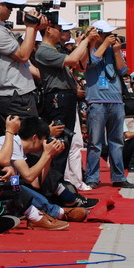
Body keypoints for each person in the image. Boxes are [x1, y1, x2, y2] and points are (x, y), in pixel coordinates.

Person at [34, 22, 97, 173]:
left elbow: (81, 65)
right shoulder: (43, 50)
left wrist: (89, 43)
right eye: (59, 29)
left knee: (66, 141)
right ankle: (54, 182)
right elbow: (73, 60)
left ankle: (59, 180)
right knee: (59, 142)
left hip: (66, 97)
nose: (62, 33)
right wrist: (86, 40)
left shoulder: (54, 49)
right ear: (48, 30)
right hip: (57, 98)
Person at [84, 20, 134, 189]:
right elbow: (90, 63)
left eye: (111, 34)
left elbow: (123, 71)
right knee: (95, 143)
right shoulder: (89, 48)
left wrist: (116, 51)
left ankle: (118, 177)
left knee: (117, 141)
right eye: (107, 34)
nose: (111, 37)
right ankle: (92, 178)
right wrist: (104, 45)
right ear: (98, 34)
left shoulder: (112, 50)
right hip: (96, 101)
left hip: (116, 101)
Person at [0, 0, 47, 120]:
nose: (12, 10)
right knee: (27, 133)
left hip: (16, 94)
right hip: (13, 96)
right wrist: (30, 27)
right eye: (10, 6)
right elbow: (23, 56)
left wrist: (35, 29)